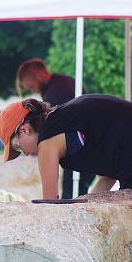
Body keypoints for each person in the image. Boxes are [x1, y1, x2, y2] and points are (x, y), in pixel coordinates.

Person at [0, 95, 132, 261]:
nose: (24, 153)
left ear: (24, 129)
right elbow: (107, 176)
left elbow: (50, 205)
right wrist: (89, 208)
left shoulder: (48, 140)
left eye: (17, 147)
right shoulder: (68, 119)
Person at [15, 58, 95, 198]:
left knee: (70, 196)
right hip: (85, 143)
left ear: (39, 76)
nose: (33, 90)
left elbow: (52, 132)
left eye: (32, 87)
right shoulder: (64, 82)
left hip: (81, 147)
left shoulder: (55, 93)